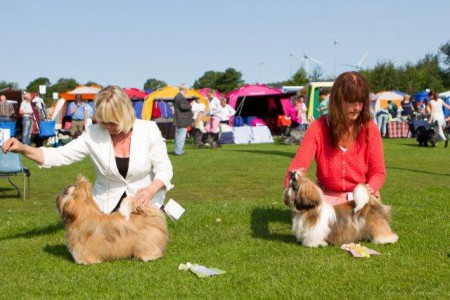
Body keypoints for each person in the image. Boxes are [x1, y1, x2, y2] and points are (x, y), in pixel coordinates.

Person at [2, 85, 173, 213]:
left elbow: (164, 169)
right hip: (106, 208)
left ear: (126, 114)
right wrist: (23, 148)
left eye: (113, 122)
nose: (107, 127)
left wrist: (150, 191)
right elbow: (60, 155)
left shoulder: (148, 129)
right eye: (103, 121)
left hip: (144, 205)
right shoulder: (93, 133)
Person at [285, 71, 385, 206]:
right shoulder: (318, 128)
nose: (357, 108)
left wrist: (370, 188)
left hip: (361, 197)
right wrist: (291, 192)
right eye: (351, 102)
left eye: (361, 102)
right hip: (327, 198)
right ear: (337, 100)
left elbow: (378, 172)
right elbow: (296, 169)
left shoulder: (370, 129)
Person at [173, 84, 193, 155]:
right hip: (182, 119)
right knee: (181, 136)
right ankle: (178, 151)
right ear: (185, 89)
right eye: (187, 89)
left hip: (179, 119)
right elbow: (183, 107)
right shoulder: (180, 97)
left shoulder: (177, 96)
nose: (187, 90)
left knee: (179, 136)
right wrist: (190, 105)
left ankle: (179, 150)